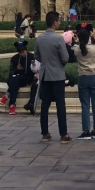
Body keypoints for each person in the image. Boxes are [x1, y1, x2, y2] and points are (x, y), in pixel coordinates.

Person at [36, 11, 71, 143]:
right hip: (57, 76)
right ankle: (64, 134)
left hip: (45, 75)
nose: (59, 23)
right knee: (60, 105)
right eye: (59, 21)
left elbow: (37, 56)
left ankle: (45, 133)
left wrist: (46, 62)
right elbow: (65, 58)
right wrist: (57, 64)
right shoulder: (58, 39)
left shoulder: (40, 38)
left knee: (45, 105)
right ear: (55, 22)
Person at [72, 22, 95, 140]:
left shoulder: (77, 49)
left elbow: (75, 47)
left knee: (85, 106)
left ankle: (86, 131)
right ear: (89, 36)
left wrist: (76, 41)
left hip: (83, 78)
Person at [1, 39, 38, 116]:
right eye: (20, 53)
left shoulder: (31, 57)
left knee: (15, 80)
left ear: (26, 50)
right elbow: (11, 72)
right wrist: (16, 69)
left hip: (27, 78)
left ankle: (7, 95)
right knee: (15, 83)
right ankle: (12, 106)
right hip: (17, 79)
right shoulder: (15, 58)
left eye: (23, 52)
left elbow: (35, 71)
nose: (22, 54)